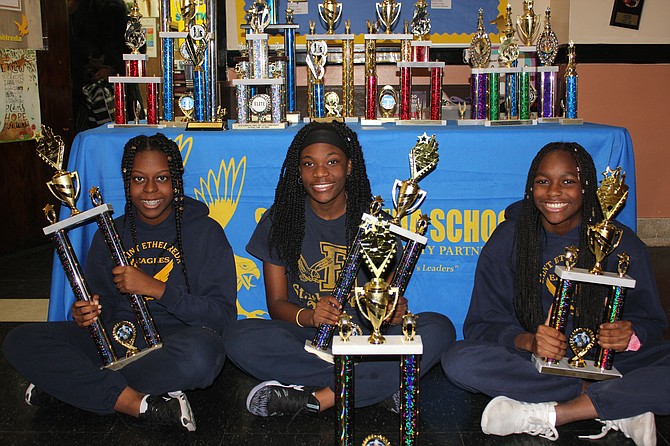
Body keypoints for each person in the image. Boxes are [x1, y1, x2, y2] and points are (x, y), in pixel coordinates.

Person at [3, 133, 237, 431]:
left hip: (175, 342)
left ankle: (75, 386)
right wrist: (85, 314)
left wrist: (156, 288)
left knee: (203, 357)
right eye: (139, 179)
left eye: (161, 178)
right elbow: (101, 303)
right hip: (116, 339)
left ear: (176, 181)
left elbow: (222, 317)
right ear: (127, 181)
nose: (150, 189)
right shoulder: (111, 232)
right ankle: (131, 401)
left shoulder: (205, 231)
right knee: (20, 340)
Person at [442, 142, 670, 445]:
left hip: (610, 363)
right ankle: (617, 403)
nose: (553, 192)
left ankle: (550, 413)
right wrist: (530, 342)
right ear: (530, 186)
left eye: (568, 181)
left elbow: (652, 323)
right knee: (459, 360)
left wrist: (631, 334)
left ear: (587, 186)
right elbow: (482, 325)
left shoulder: (621, 243)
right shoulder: (509, 239)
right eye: (542, 181)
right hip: (536, 365)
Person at [223, 121, 456, 417]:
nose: (320, 173)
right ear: (298, 171)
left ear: (348, 167)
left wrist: (394, 310)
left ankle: (321, 397)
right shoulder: (279, 221)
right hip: (311, 341)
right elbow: (277, 305)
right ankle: (378, 387)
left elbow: (390, 295)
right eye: (309, 164)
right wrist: (310, 316)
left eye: (332, 162)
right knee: (237, 336)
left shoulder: (377, 222)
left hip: (367, 341)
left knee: (439, 329)